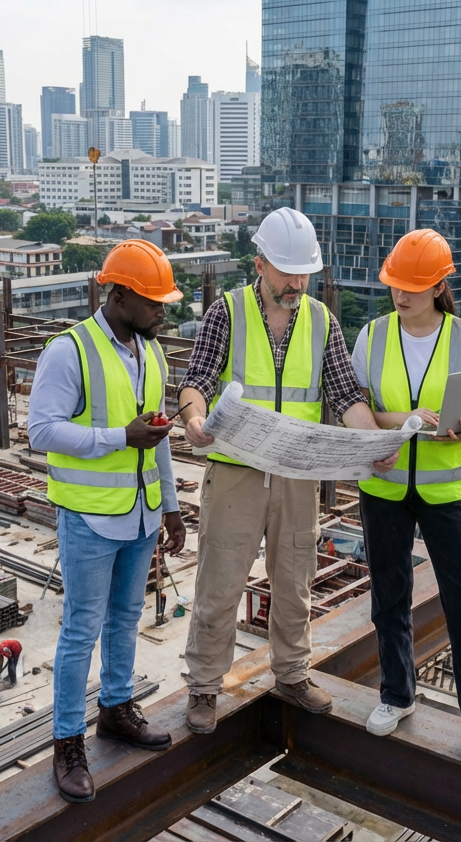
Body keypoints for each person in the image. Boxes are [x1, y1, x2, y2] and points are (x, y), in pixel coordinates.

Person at [177, 207, 396, 735]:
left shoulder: (322, 321)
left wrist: (373, 439)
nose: (296, 284)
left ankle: (293, 675)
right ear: (260, 264)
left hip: (297, 473)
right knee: (221, 583)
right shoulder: (226, 312)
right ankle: (205, 686)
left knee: (295, 581)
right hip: (237, 471)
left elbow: (345, 393)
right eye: (287, 273)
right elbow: (196, 379)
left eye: (304, 274)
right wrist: (195, 419)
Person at [29, 239, 188, 805]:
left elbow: (160, 436)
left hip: (141, 517)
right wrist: (118, 438)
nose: (161, 313)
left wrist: (170, 505)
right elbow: (42, 431)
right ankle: (66, 743)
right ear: (117, 295)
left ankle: (116, 710)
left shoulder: (152, 353)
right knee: (80, 631)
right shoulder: (69, 351)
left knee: (125, 619)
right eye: (153, 303)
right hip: (91, 520)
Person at [351, 229, 461, 772]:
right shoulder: (371, 337)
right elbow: (359, 412)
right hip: (385, 490)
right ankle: (396, 694)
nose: (401, 294)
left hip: (448, 493)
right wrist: (412, 422)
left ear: (441, 285)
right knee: (389, 598)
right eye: (396, 284)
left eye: (414, 286)